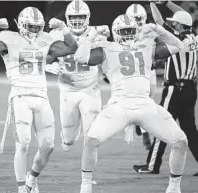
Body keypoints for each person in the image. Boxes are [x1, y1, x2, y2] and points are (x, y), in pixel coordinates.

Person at [74, 14, 189, 193]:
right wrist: (92, 34)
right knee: (91, 140)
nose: (128, 35)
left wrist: (158, 29)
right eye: (124, 31)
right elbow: (79, 58)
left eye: (130, 31)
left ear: (136, 31)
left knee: (180, 142)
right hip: (119, 104)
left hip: (145, 104)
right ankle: (86, 185)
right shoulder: (107, 48)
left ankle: (174, 188)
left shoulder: (145, 46)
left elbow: (178, 45)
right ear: (116, 32)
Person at [0, 6, 77, 193]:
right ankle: (22, 188)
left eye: (38, 27)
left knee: (48, 146)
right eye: (31, 27)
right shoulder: (9, 38)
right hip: (20, 96)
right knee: (23, 143)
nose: (36, 31)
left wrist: (64, 28)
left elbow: (72, 47)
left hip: (42, 96)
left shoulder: (45, 39)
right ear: (22, 25)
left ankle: (32, 178)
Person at [133, 0, 198, 177]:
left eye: (175, 23)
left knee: (161, 126)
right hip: (191, 90)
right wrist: (168, 2)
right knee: (190, 130)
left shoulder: (177, 39)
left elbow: (159, 23)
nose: (173, 24)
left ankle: (151, 165)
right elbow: (187, 19)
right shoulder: (193, 35)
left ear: (180, 25)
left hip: (174, 90)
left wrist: (153, 2)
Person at [47, 0, 109, 153]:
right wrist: (48, 66)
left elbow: (105, 60)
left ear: (87, 17)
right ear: (67, 18)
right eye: (73, 17)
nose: (76, 20)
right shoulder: (56, 34)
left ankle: (87, 173)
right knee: (68, 139)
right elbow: (40, 58)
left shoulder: (97, 34)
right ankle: (68, 139)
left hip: (90, 89)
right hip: (68, 90)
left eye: (80, 16)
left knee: (92, 136)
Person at [125, 3, 158, 150]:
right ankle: (144, 132)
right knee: (142, 101)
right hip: (136, 72)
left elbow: (161, 45)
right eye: (133, 18)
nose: (137, 21)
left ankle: (138, 123)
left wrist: (157, 59)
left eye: (138, 18)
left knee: (149, 100)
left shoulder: (150, 30)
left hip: (149, 71)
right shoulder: (123, 31)